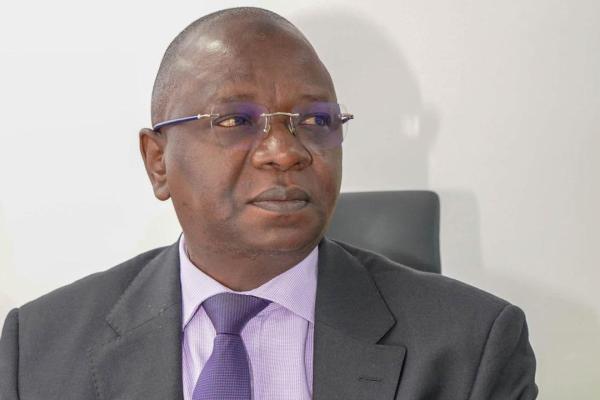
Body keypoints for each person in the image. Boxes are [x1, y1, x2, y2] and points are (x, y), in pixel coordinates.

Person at [0, 7, 538, 400]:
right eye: (236, 120)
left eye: (316, 120)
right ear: (158, 161)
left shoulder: (470, 347)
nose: (285, 151)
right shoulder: (39, 349)